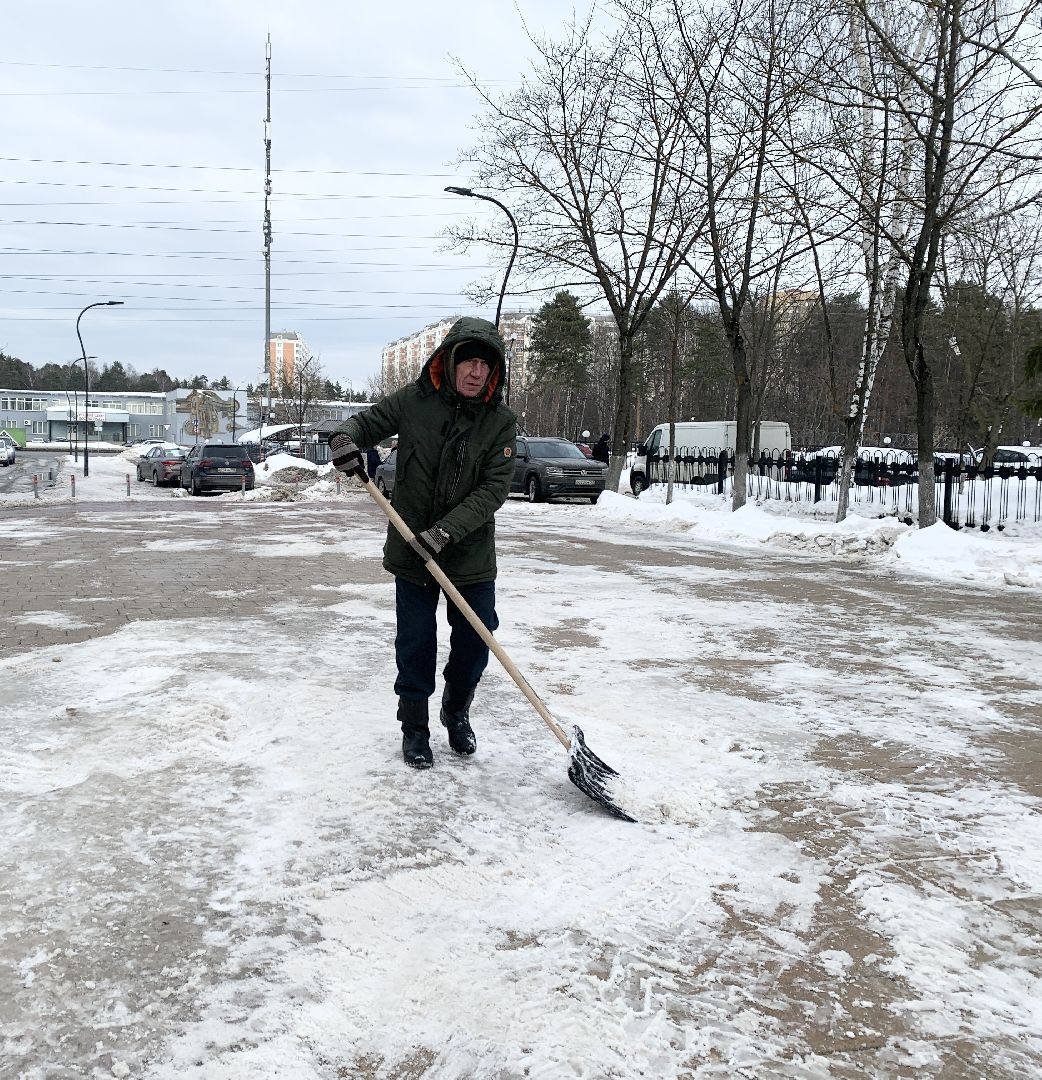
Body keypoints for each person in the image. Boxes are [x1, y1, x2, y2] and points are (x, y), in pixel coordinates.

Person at [329, 317, 517, 769]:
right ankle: (414, 728)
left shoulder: (500, 423)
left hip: (468, 554)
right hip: (413, 550)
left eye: (485, 365)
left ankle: (456, 711)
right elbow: (365, 423)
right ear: (449, 361)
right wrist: (344, 440)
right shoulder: (414, 402)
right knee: (415, 642)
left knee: (477, 637)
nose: (476, 372)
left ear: (495, 373)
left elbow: (492, 490)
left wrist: (445, 532)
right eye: (469, 361)